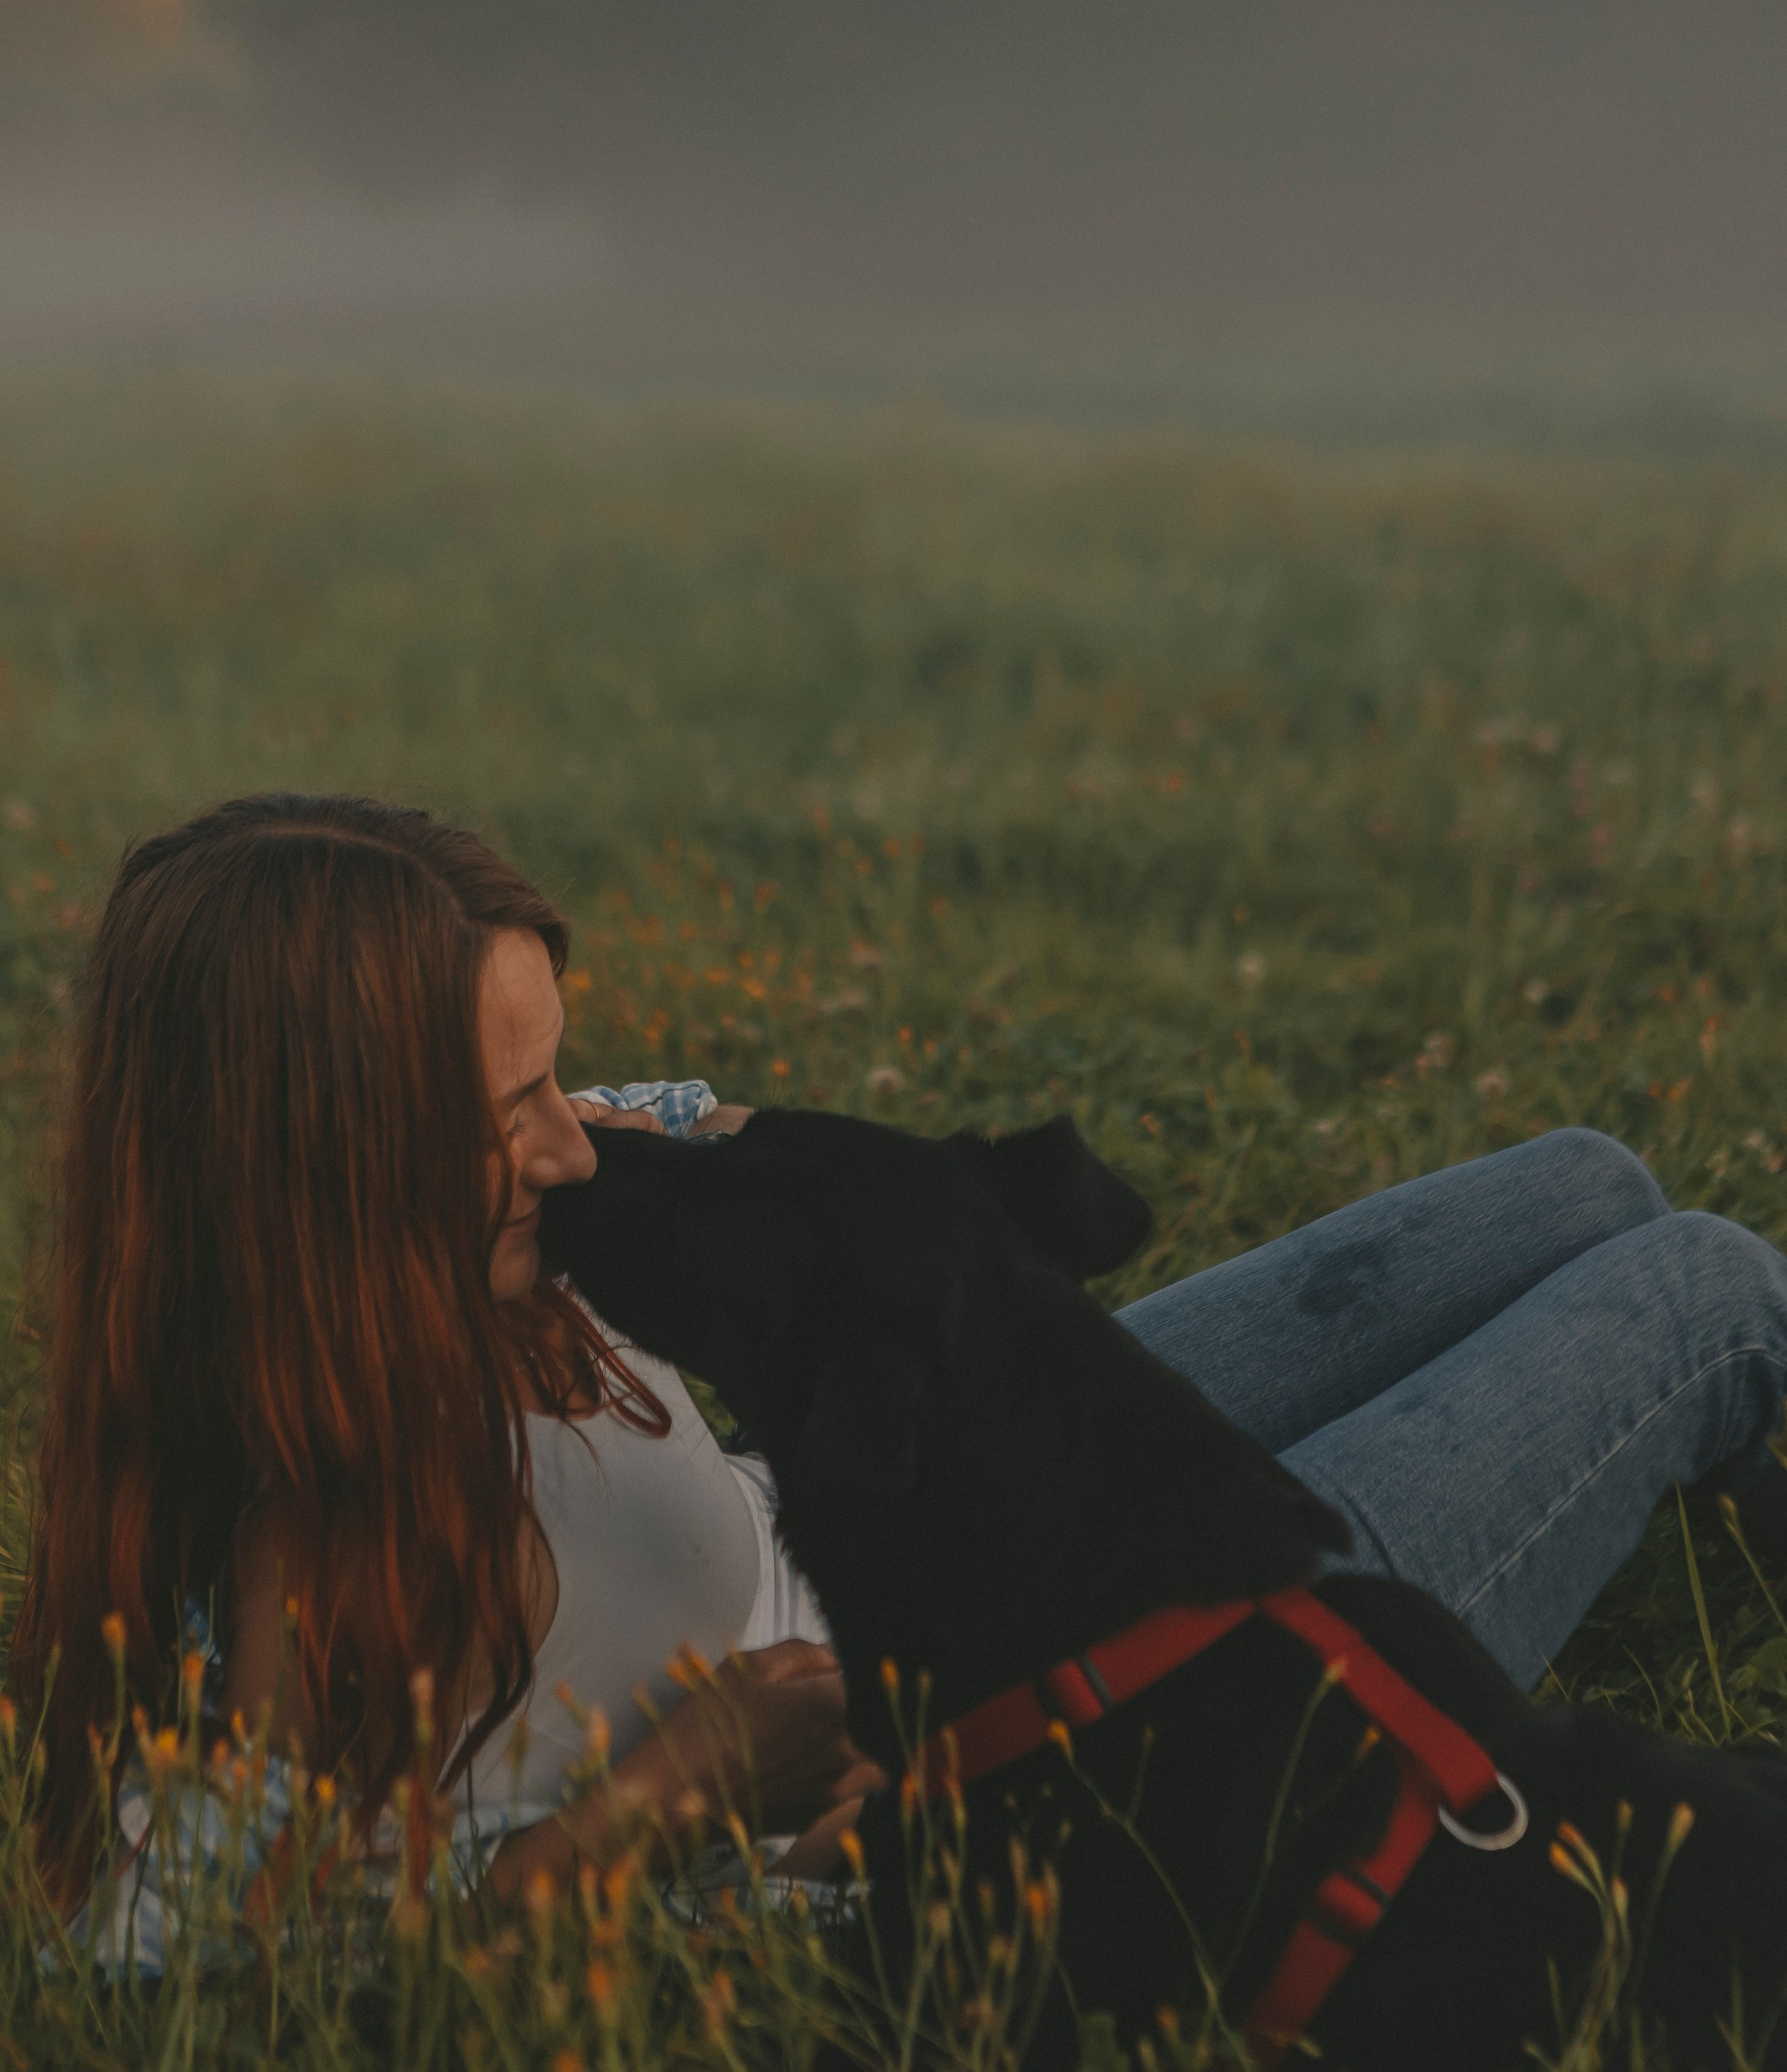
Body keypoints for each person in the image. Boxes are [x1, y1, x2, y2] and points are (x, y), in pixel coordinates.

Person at [13, 793, 1787, 1959]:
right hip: (1108, 1714)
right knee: (1697, 1287)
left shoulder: (471, 1251)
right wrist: (685, 1792)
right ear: (314, 1158)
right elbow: (177, 1960)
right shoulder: (313, 1532)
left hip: (907, 1493)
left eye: (556, 1073)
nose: (575, 1143)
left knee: (1582, 1181)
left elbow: (700, 1158)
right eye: (510, 1110)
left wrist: (675, 1139)